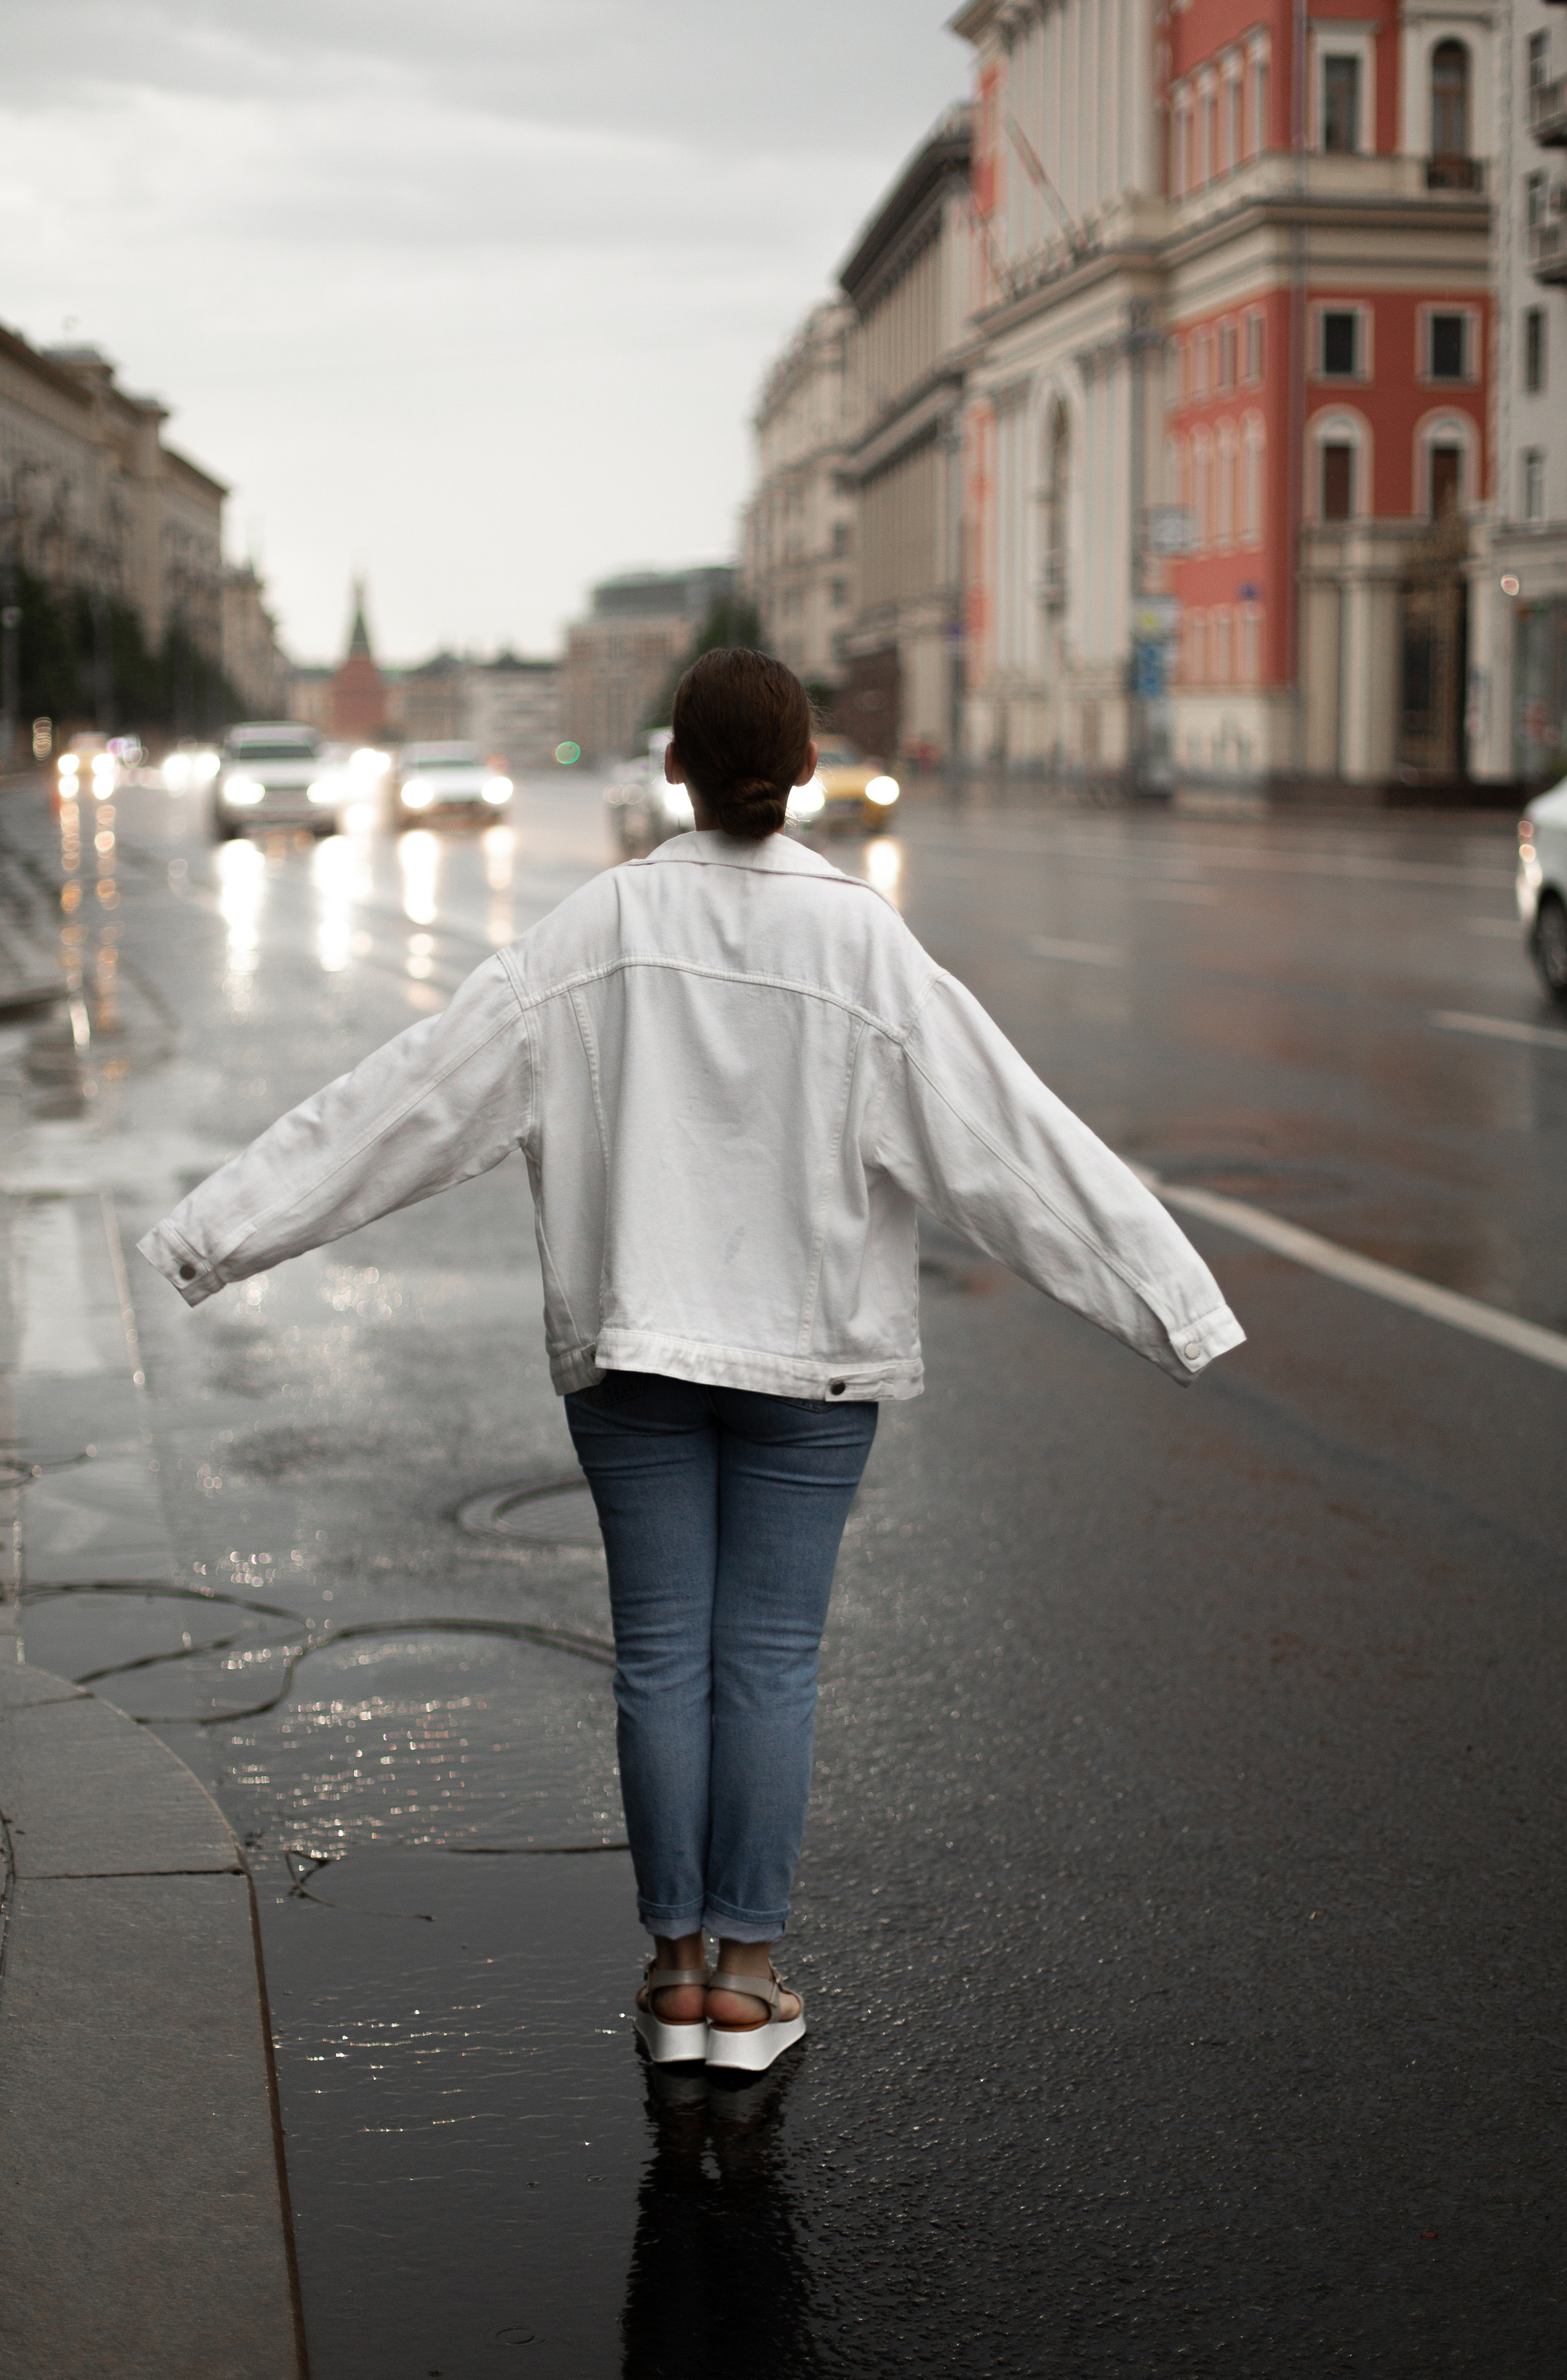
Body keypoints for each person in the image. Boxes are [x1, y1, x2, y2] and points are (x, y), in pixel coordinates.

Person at [141, 649, 1244, 2075]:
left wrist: (210, 1238)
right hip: (812, 1365)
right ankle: (751, 1976)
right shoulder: (863, 945)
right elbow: (1015, 1149)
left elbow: (402, 1105)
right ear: (796, 769)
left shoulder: (591, 930)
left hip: (632, 1350)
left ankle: (670, 1974)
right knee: (768, 1662)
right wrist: (1172, 1303)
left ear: (673, 765)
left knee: (661, 1656)